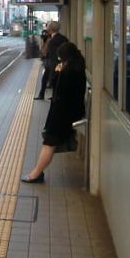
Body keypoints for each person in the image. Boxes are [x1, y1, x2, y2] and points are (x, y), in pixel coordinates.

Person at [22, 41, 86, 183]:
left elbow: (57, 89)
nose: (59, 60)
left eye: (60, 58)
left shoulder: (69, 72)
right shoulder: (78, 68)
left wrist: (57, 73)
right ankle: (37, 172)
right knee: (50, 143)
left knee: (49, 143)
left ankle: (36, 174)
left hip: (62, 115)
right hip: (69, 112)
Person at [35, 21, 67, 100]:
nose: (46, 28)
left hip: (54, 64)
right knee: (49, 79)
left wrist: (54, 70)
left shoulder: (53, 41)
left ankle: (49, 96)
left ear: (50, 29)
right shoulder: (63, 38)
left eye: (48, 27)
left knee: (51, 79)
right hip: (60, 63)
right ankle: (46, 95)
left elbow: (53, 56)